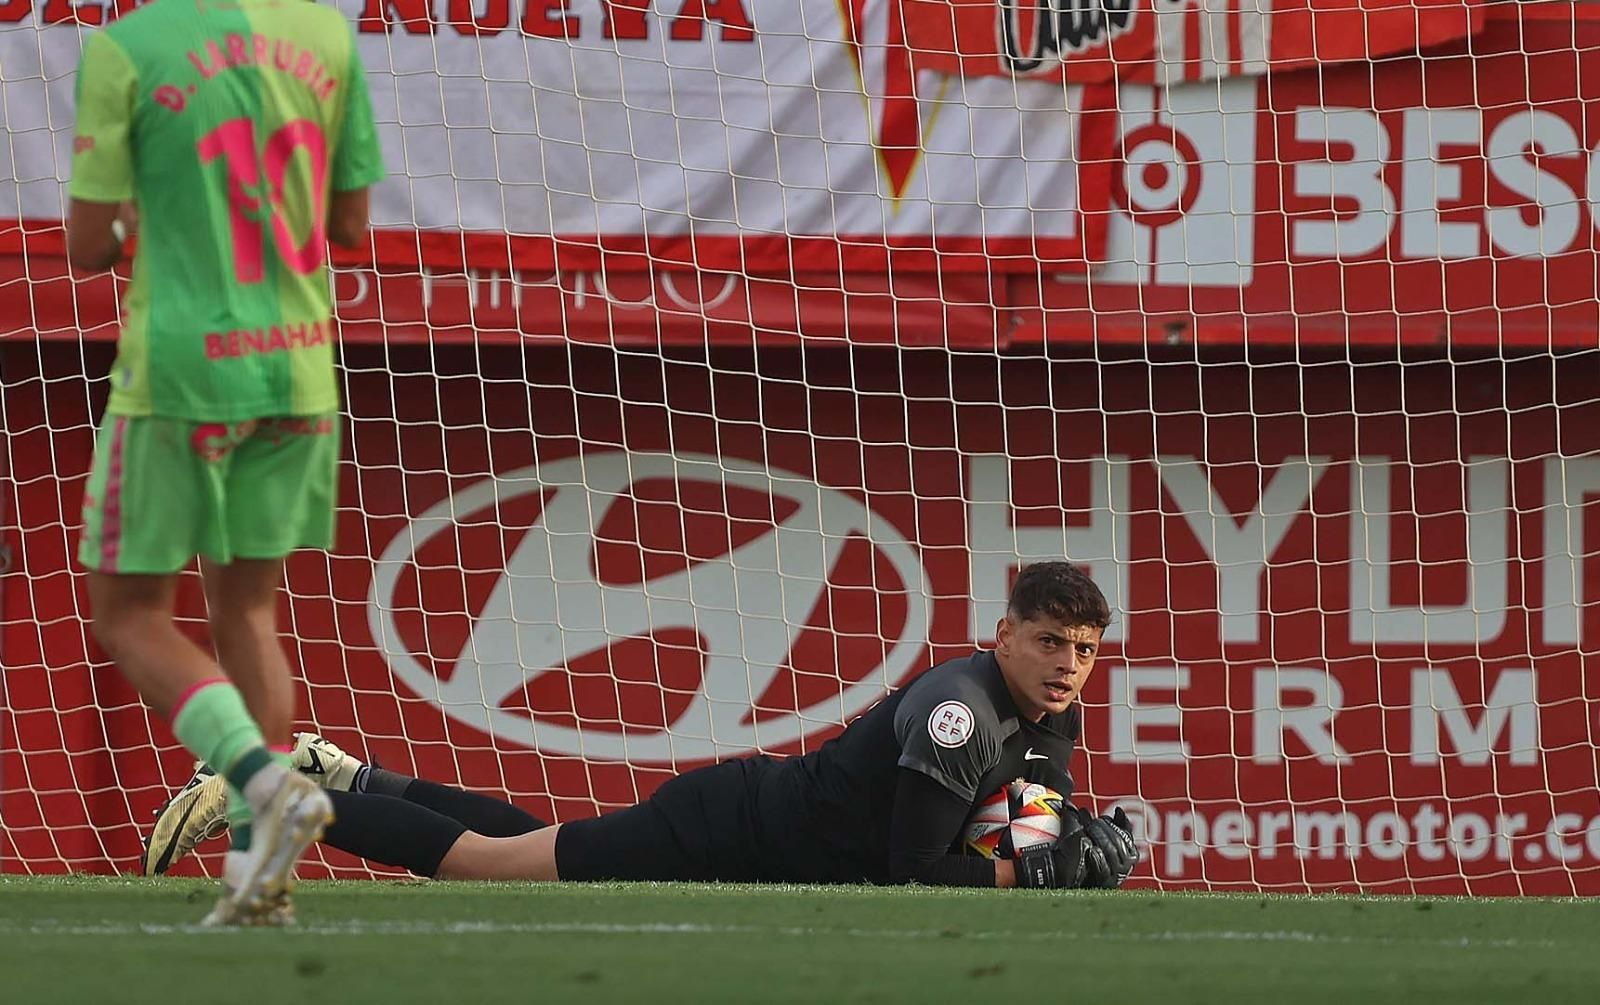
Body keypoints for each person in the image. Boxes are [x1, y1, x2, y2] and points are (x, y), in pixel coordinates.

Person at [148, 562, 1138, 889]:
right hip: (729, 830)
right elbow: (916, 867)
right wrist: (1039, 871)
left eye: (1084, 649)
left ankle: (342, 773)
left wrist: (1064, 844)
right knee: (489, 867)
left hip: (754, 828)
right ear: (1002, 635)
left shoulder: (1052, 716)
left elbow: (1024, 822)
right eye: (1049, 641)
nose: (1066, 664)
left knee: (527, 842)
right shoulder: (961, 712)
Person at [69, 0, 387, 924]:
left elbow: (86, 246)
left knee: (129, 613)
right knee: (247, 610)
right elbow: (351, 223)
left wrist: (144, 215)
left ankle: (262, 779)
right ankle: (259, 877)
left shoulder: (125, 47)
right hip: (296, 369)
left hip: (180, 376)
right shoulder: (326, 38)